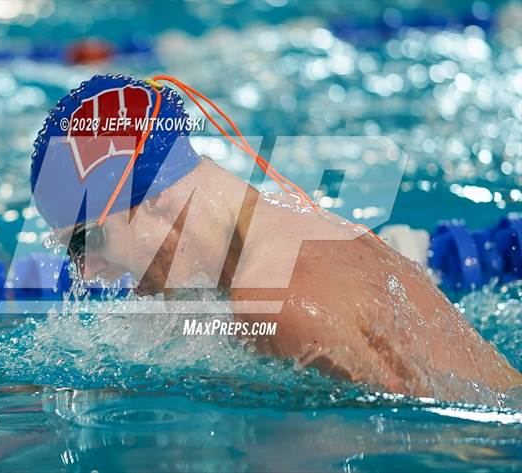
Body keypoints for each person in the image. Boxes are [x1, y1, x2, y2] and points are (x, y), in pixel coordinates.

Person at [31, 74, 522, 405]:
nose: (84, 271)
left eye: (86, 241)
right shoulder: (279, 219)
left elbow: (421, 440)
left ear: (152, 200)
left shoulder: (277, 297)